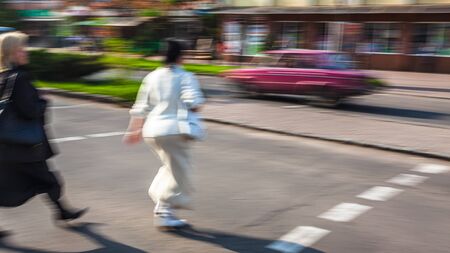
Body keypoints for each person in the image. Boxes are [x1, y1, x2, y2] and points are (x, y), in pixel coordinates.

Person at [0, 32, 87, 234]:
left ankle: (63, 211)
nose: (25, 52)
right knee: (48, 180)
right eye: (21, 49)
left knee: (15, 183)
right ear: (12, 53)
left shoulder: (3, 76)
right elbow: (30, 110)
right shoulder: (20, 78)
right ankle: (63, 212)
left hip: (6, 144)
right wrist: (43, 101)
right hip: (23, 146)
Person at [124, 39, 205, 230]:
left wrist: (134, 130)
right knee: (180, 173)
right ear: (181, 56)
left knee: (170, 168)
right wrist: (193, 106)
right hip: (174, 131)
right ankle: (162, 211)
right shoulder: (185, 76)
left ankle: (162, 207)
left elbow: (140, 107)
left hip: (151, 131)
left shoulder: (152, 77)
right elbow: (193, 102)